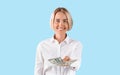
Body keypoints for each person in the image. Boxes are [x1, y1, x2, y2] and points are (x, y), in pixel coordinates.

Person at [34, 7, 83, 75]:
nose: (61, 24)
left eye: (65, 21)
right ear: (52, 22)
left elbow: (77, 65)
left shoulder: (76, 44)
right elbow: (38, 71)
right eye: (57, 20)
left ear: (69, 23)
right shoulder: (42, 45)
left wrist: (70, 62)